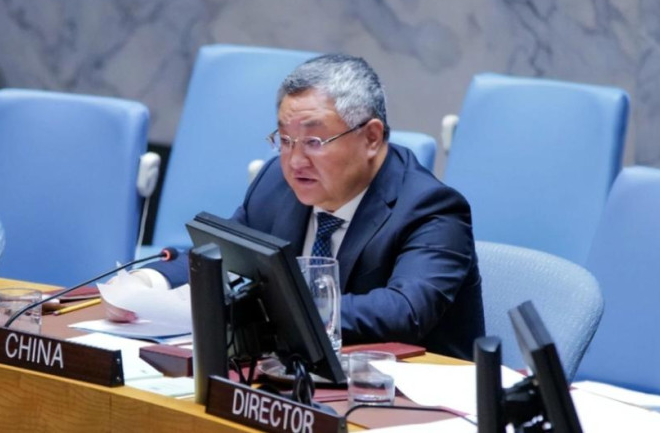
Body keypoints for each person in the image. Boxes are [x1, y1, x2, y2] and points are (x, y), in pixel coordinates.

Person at [109, 54, 484, 360]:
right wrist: (149, 282)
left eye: (314, 141)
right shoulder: (277, 182)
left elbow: (404, 312)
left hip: (410, 399)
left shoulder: (431, 209)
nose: (294, 161)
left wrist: (275, 308)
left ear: (371, 137)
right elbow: (224, 255)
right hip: (301, 382)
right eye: (285, 140)